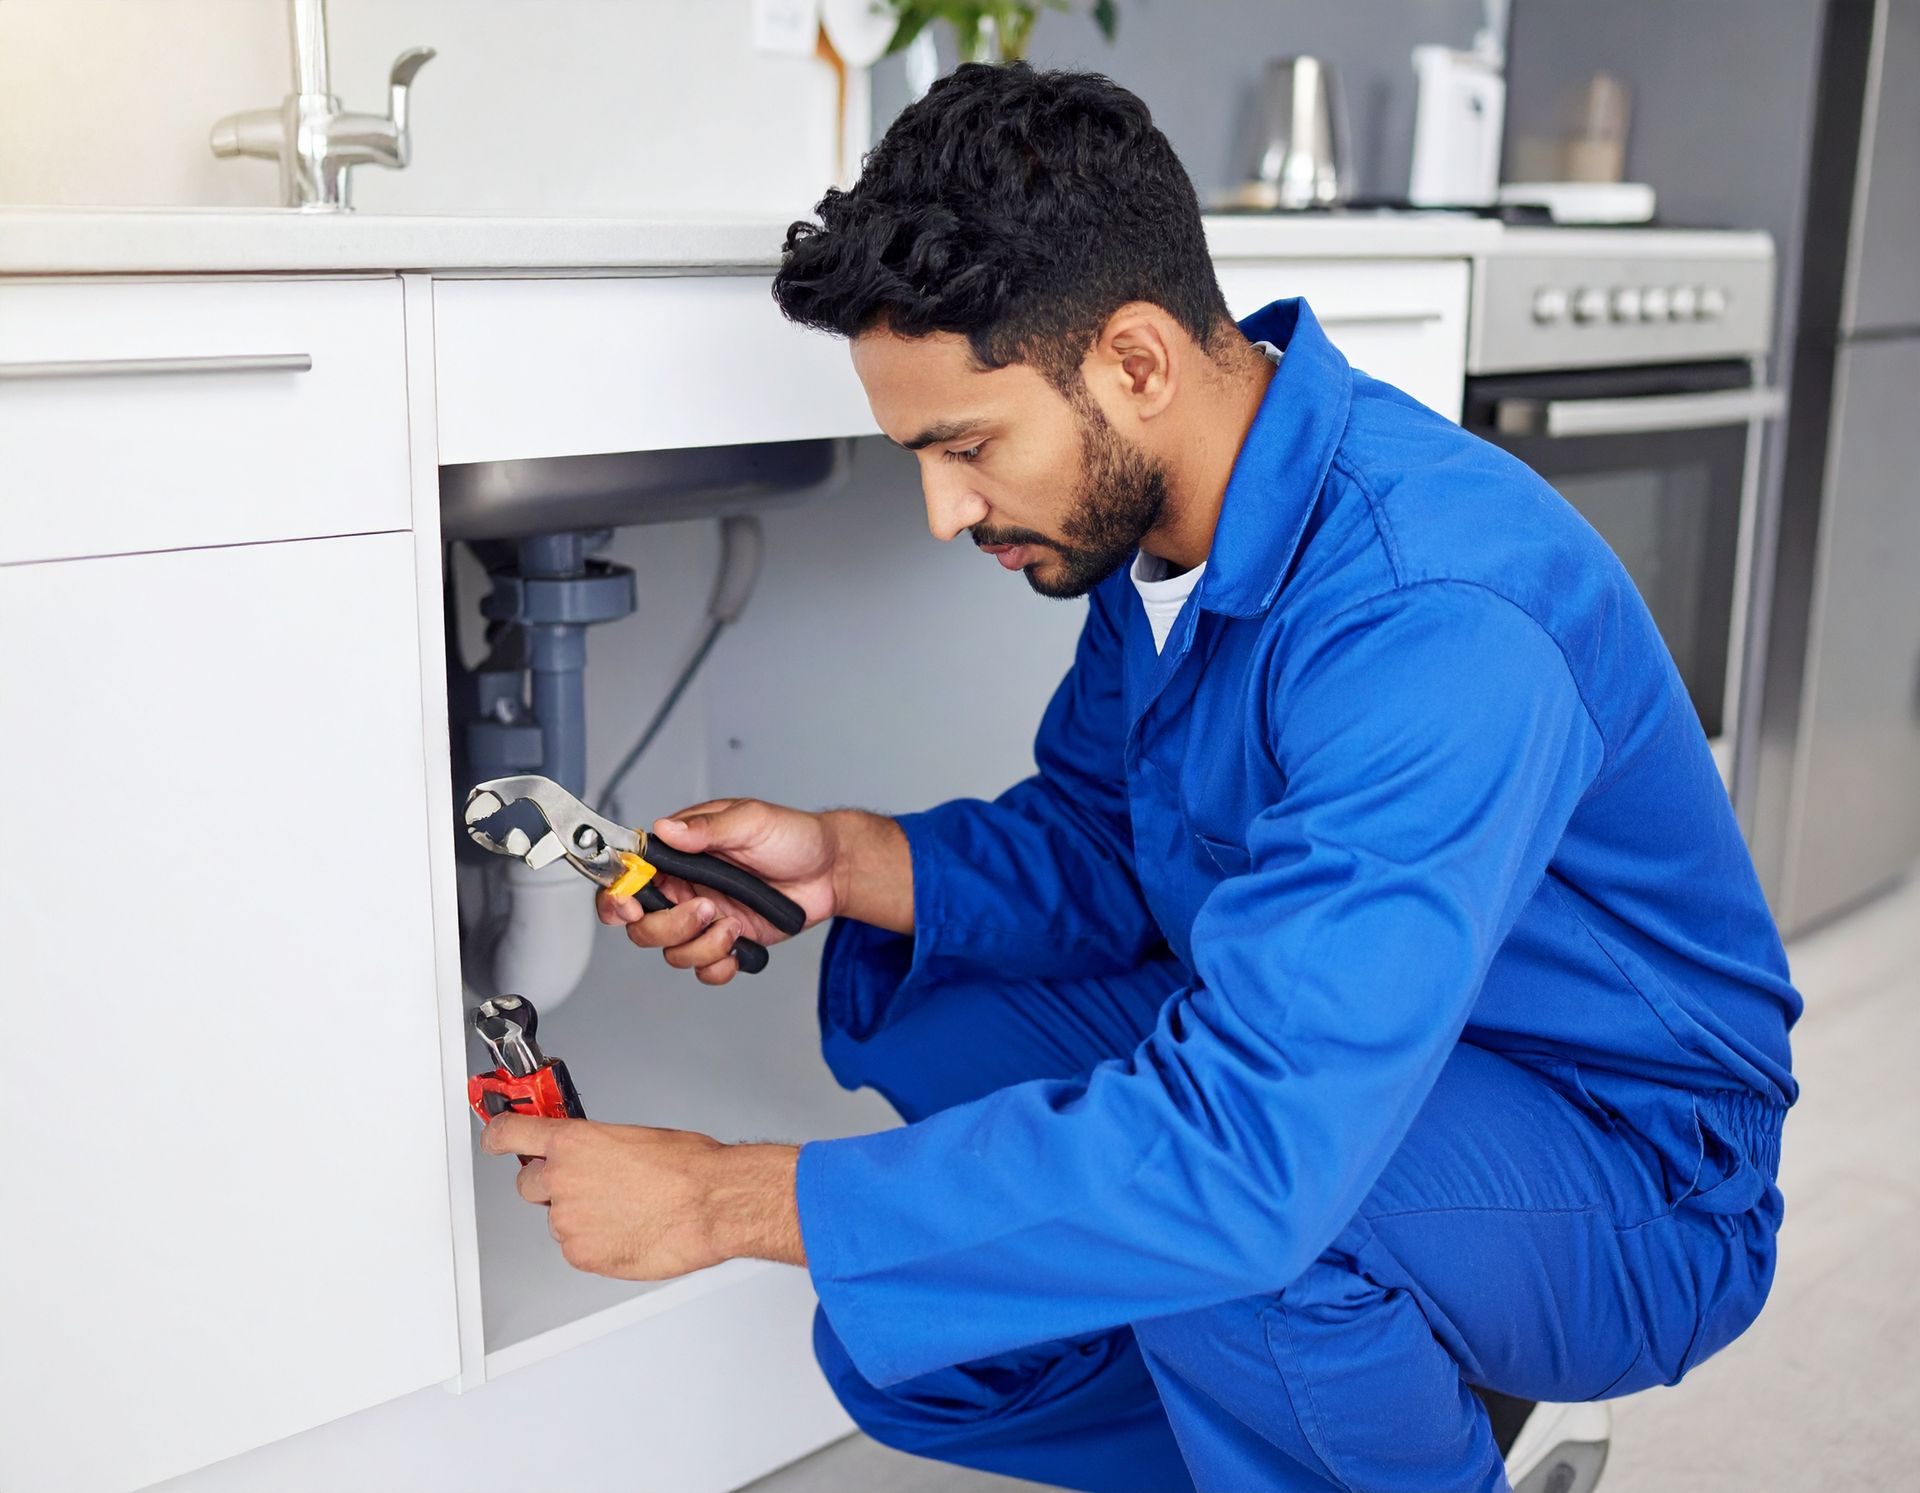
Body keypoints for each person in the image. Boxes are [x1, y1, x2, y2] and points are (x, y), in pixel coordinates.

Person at [480, 63, 1799, 1493]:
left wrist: (722, 1198)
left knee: (1246, 1235)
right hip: (1378, 1048)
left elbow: (1252, 1153)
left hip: (1632, 1160)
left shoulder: (1438, 614)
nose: (942, 510)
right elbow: (1118, 839)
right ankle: (1399, 1411)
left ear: (1136, 363)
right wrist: (850, 861)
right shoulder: (1165, 529)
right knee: (921, 1316)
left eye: (968, 446)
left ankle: (1367, 1378)